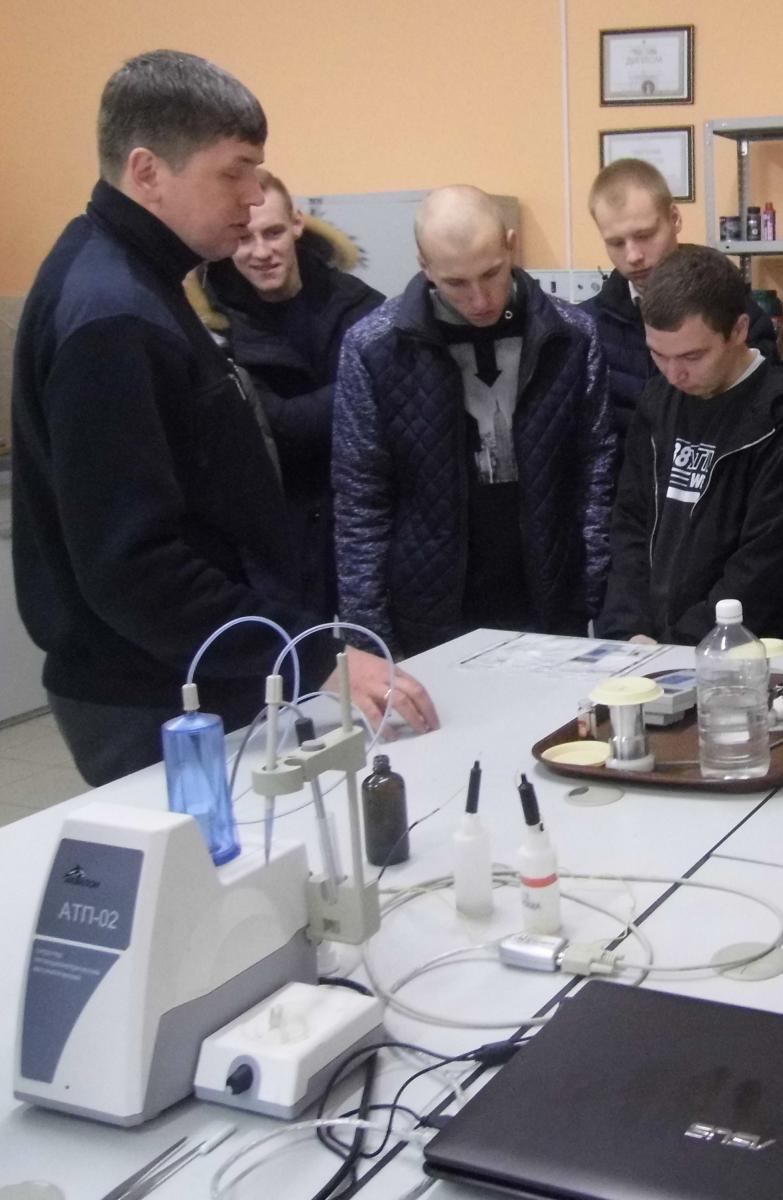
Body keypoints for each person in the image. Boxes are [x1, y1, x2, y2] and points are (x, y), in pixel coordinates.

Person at [10, 50, 435, 787]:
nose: (250, 200)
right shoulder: (113, 314)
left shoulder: (135, 281)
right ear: (148, 172)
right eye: (233, 172)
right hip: (155, 696)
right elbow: (134, 565)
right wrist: (308, 656)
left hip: (199, 671)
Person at [333, 185, 614, 656]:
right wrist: (371, 640)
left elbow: (595, 472)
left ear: (510, 244)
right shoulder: (373, 348)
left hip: (548, 598)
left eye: (491, 273)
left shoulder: (572, 336)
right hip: (430, 608)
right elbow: (361, 501)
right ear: (424, 266)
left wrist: (595, 594)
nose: (480, 298)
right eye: (456, 283)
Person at [596, 244, 783, 647]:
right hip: (649, 647)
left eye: (692, 355)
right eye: (658, 354)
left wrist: (683, 644)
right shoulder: (658, 400)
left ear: (738, 331)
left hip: (739, 655)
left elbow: (766, 564)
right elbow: (630, 521)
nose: (674, 373)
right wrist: (629, 629)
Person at [189, 170, 384, 619]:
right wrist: (359, 391)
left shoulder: (359, 304)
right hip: (270, 547)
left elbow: (390, 406)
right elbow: (276, 427)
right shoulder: (210, 326)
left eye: (273, 232)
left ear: (297, 223)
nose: (261, 252)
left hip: (361, 529)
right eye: (245, 238)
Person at [581, 159, 777, 453]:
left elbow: (764, 426)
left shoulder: (737, 316)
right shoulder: (585, 329)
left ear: (674, 218)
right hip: (626, 494)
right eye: (616, 243)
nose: (633, 255)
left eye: (644, 235)